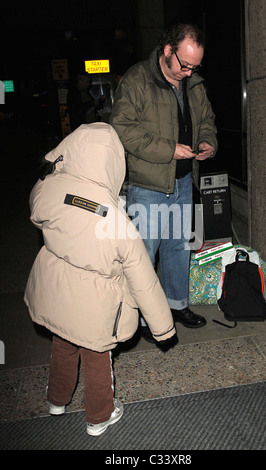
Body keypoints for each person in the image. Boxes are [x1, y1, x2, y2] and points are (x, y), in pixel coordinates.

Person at [24, 122, 176, 436]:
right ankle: (99, 417)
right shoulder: (117, 221)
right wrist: (164, 329)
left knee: (62, 344)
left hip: (57, 294)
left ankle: (56, 400)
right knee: (97, 358)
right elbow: (143, 280)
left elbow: (38, 213)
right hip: (96, 305)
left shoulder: (48, 189)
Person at [110, 23, 218, 342]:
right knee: (144, 255)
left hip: (184, 181)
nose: (188, 73)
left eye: (195, 66)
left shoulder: (194, 83)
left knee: (178, 248)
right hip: (148, 185)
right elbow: (122, 128)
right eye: (185, 65)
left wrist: (209, 143)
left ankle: (176, 306)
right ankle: (142, 318)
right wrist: (169, 149)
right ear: (168, 50)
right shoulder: (137, 79)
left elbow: (207, 122)